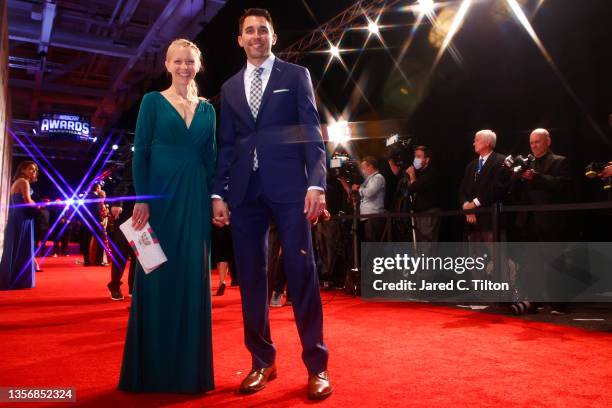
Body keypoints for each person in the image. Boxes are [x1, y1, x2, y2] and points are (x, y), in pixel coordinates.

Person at [211, 8, 332, 400]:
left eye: (264, 30)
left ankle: (317, 366)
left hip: (291, 190)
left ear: (273, 37)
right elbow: (227, 147)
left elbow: (312, 131)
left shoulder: (296, 76)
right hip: (246, 193)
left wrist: (316, 182)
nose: (257, 36)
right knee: (251, 278)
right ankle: (262, 362)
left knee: (302, 272)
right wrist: (219, 193)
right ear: (240, 40)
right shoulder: (229, 88)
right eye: (250, 31)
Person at [118, 38, 216, 393]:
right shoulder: (151, 102)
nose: (184, 67)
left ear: (198, 65)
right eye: (178, 61)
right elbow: (140, 152)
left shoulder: (208, 110)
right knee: (157, 276)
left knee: (192, 277)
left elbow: (211, 159)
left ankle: (189, 372)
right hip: (158, 201)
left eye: (190, 61)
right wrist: (141, 198)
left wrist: (216, 199)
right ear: (167, 64)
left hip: (196, 200)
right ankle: (152, 370)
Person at [458, 129, 509, 242]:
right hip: (471, 222)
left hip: (491, 221)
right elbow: (462, 190)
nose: (474, 143)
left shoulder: (502, 161)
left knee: (497, 257)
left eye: (477, 140)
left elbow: (497, 188)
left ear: (487, 142)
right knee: (474, 258)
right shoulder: (471, 165)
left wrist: (474, 204)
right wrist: (467, 207)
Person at [0, 161, 39, 290]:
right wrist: (39, 206)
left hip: (18, 217)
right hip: (21, 218)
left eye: (35, 170)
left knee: (15, 247)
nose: (33, 172)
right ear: (23, 170)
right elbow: (28, 200)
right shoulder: (23, 182)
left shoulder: (18, 181)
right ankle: (17, 280)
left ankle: (11, 278)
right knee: (20, 247)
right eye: (31, 169)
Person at [107, 164, 136, 301]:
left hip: (148, 212)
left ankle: (134, 287)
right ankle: (114, 286)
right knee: (121, 252)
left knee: (141, 253)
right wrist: (118, 203)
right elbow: (125, 182)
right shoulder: (139, 156)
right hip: (127, 212)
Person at [340, 156, 386, 242]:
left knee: (373, 244)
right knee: (369, 243)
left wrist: (358, 188)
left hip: (374, 216)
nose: (362, 170)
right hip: (367, 217)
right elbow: (359, 192)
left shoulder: (378, 177)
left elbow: (369, 192)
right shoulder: (369, 179)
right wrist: (343, 181)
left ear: (371, 166)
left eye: (364, 167)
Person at [405, 145, 442, 247]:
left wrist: (412, 175)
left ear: (427, 159)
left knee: (427, 245)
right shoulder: (419, 173)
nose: (415, 159)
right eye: (415, 156)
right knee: (419, 244)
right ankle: (420, 263)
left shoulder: (431, 173)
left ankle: (428, 263)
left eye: (418, 156)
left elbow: (414, 187)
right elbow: (409, 189)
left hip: (428, 213)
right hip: (418, 213)